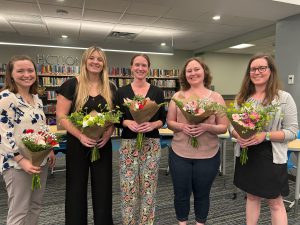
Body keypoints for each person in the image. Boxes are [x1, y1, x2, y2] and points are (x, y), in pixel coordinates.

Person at [231, 53, 298, 225]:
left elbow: (291, 131)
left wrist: (265, 135)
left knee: (275, 202)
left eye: (262, 68)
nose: (257, 72)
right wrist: (237, 134)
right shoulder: (242, 98)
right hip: (247, 153)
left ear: (271, 71)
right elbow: (232, 126)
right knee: (251, 197)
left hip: (271, 155)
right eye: (253, 69)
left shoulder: (284, 98)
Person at [56, 46, 116, 225]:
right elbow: (61, 116)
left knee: (103, 189)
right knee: (76, 189)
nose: (95, 62)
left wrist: (108, 133)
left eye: (99, 59)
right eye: (92, 58)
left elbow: (113, 118)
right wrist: (80, 135)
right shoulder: (71, 85)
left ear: (104, 63)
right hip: (77, 143)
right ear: (84, 61)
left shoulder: (110, 87)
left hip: (102, 145)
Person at [166, 57, 228, 225]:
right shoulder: (177, 97)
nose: (193, 73)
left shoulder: (216, 97)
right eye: (189, 70)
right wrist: (182, 127)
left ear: (204, 72)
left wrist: (206, 127)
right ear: (184, 75)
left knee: (202, 194)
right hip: (180, 154)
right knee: (180, 194)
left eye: (196, 69)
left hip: (208, 155)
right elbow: (170, 122)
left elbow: (223, 127)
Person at [0, 55, 55, 225]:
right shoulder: (6, 98)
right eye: (20, 71)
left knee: (35, 205)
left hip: (39, 160)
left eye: (30, 70)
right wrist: (20, 159)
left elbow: (42, 126)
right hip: (17, 164)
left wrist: (50, 148)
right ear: (11, 74)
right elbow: (3, 134)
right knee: (19, 210)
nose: (26, 74)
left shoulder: (36, 98)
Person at [114, 54, 166, 225]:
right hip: (129, 144)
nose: (140, 68)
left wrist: (153, 125)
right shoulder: (121, 92)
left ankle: (146, 222)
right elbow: (116, 118)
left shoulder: (157, 92)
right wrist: (127, 122)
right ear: (131, 67)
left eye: (144, 65)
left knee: (148, 187)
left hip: (151, 144)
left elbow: (162, 119)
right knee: (128, 186)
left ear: (148, 68)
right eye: (137, 65)